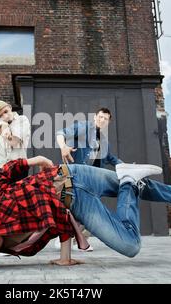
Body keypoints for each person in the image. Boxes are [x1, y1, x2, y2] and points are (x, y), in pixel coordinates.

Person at [0, 156, 171, 270]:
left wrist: (34, 161)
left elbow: (4, 174)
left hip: (71, 174)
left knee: (141, 184)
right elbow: (59, 226)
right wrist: (65, 259)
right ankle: (129, 178)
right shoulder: (22, 249)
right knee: (130, 245)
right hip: (77, 204)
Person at [55, 107, 123, 251]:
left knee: (88, 210)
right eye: (100, 117)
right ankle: (64, 238)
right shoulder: (84, 127)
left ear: (108, 122)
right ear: (94, 117)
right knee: (72, 207)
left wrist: (125, 167)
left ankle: (78, 240)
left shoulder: (104, 142)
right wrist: (63, 147)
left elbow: (110, 158)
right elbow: (61, 133)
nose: (102, 120)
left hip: (91, 180)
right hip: (76, 175)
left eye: (105, 118)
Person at [0, 100, 31, 177]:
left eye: (6, 111)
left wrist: (3, 126)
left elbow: (14, 142)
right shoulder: (0, 123)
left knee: (18, 189)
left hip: (18, 166)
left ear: (10, 107)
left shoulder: (22, 120)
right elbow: (3, 142)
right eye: (1, 115)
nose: (5, 116)